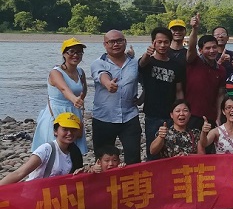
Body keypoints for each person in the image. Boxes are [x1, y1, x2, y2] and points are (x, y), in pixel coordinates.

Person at [91, 30, 142, 164]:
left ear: (125, 42)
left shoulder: (135, 63)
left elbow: (147, 82)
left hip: (129, 116)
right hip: (104, 117)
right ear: (105, 44)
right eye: (111, 42)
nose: (116, 44)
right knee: (103, 159)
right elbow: (102, 75)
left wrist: (143, 98)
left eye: (119, 41)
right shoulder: (98, 63)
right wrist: (108, 84)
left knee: (133, 156)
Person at [32, 38, 88, 155]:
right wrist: (74, 99)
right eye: (71, 51)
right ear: (64, 54)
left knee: (73, 151)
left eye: (79, 52)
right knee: (53, 150)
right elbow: (64, 89)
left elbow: (84, 90)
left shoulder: (80, 72)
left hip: (74, 112)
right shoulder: (55, 72)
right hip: (57, 111)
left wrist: (80, 100)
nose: (76, 55)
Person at [138, 27, 185, 160]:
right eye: (159, 42)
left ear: (170, 43)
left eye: (166, 42)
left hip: (170, 114)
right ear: (153, 43)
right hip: (152, 114)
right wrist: (147, 54)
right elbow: (141, 64)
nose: (163, 45)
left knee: (172, 150)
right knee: (153, 151)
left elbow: (179, 90)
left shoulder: (176, 65)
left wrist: (181, 110)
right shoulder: (148, 62)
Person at [0, 112, 83, 185]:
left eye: (73, 130)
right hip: (36, 193)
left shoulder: (75, 152)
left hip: (57, 194)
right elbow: (19, 173)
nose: (69, 133)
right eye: (65, 129)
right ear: (55, 131)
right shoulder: (46, 150)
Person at [185, 13, 227, 130]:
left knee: (208, 142)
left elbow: (220, 95)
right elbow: (191, 47)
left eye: (214, 47)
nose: (212, 51)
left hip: (210, 116)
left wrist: (218, 116)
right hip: (191, 114)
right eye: (207, 48)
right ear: (200, 50)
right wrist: (195, 29)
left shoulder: (221, 70)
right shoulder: (194, 62)